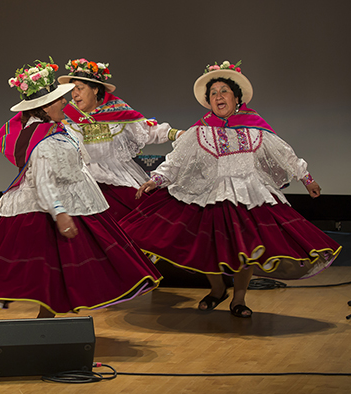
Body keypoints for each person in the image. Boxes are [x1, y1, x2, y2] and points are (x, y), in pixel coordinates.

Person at [119, 60, 341, 318]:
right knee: (208, 246)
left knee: (245, 251)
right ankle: (217, 290)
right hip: (209, 194)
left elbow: (285, 154)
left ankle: (239, 298)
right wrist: (156, 180)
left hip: (249, 194)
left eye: (223, 91)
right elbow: (176, 160)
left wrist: (307, 178)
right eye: (213, 93)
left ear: (237, 98)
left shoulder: (255, 127)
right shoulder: (200, 130)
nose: (218, 96)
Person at [0, 59, 162, 318]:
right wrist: (60, 212)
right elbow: (42, 181)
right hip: (54, 207)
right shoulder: (43, 139)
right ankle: (47, 320)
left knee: (60, 271)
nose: (66, 102)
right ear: (44, 107)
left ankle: (48, 318)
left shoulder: (58, 129)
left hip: (76, 200)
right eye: (58, 100)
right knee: (50, 269)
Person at [58, 58, 183, 221]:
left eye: (80, 88)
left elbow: (147, 130)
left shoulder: (116, 111)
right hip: (83, 180)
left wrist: (177, 134)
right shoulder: (65, 117)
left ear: (95, 89)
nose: (74, 94)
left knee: (147, 218)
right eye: (72, 90)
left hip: (118, 178)